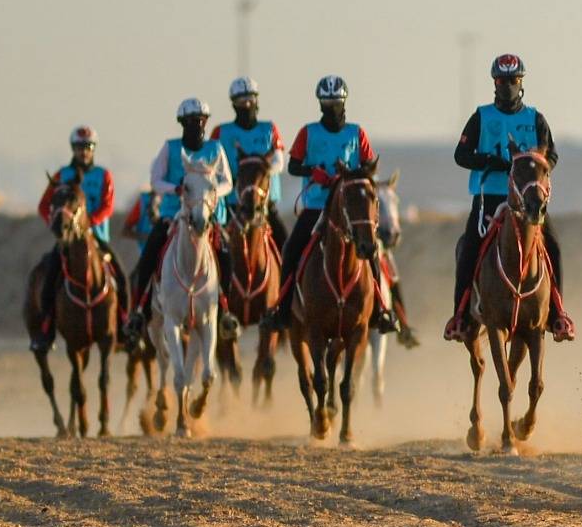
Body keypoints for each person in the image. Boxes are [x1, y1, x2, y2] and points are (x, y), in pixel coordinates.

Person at [442, 53, 575, 342]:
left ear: (521, 82)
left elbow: (551, 154)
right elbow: (460, 155)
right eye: (502, 82)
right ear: (494, 83)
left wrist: (537, 165)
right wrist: (489, 159)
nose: (508, 87)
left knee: (553, 245)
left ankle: (556, 314)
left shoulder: (535, 119)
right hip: (488, 195)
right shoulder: (481, 116)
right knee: (468, 248)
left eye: (513, 81)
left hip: (529, 199)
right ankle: (461, 316)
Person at [260, 75, 398, 335]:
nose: (332, 109)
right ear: (320, 104)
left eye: (336, 103)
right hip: (316, 206)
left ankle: (381, 310)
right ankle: (282, 310)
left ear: (344, 102)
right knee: (291, 249)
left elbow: (369, 168)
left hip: (351, 210)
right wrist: (315, 173)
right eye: (327, 104)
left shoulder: (356, 133)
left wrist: (355, 180)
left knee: (372, 252)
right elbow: (293, 164)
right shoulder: (308, 132)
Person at [122, 98, 236, 345]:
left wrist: (212, 191)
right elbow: (155, 180)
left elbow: (227, 181)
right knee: (149, 255)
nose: (197, 126)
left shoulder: (216, 149)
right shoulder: (170, 148)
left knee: (226, 255)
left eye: (201, 121)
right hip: (173, 216)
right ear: (182, 123)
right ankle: (139, 312)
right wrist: (175, 189)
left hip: (208, 216)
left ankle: (226, 310)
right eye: (191, 121)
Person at [30, 126, 129, 353]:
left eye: (88, 147)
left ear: (93, 149)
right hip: (67, 240)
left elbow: (108, 205)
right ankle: (46, 330)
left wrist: (88, 223)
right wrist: (57, 224)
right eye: (79, 148)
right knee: (49, 279)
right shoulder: (61, 176)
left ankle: (124, 327)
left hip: (96, 237)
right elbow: (44, 205)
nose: (83, 152)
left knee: (121, 277)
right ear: (72, 149)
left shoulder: (104, 175)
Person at [210, 76, 288, 250]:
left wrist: (257, 171)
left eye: (250, 99)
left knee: (286, 245)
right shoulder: (220, 132)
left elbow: (278, 162)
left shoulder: (269, 129)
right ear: (233, 104)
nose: (246, 104)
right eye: (241, 100)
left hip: (265, 206)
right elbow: (211, 165)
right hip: (233, 205)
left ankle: (292, 276)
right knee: (217, 249)